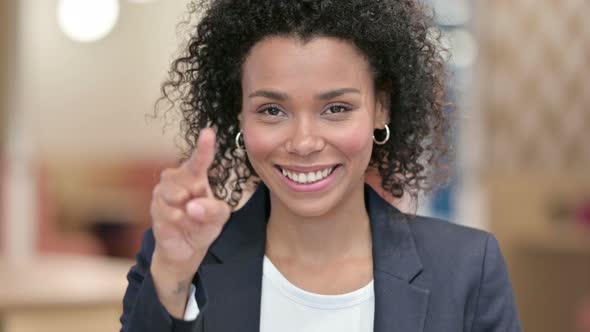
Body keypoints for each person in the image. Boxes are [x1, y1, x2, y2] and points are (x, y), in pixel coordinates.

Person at [120, 0, 521, 331]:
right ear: (239, 114)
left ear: (381, 108)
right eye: (272, 110)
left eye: (336, 108)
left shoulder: (467, 267)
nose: (304, 142)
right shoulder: (178, 260)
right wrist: (173, 279)